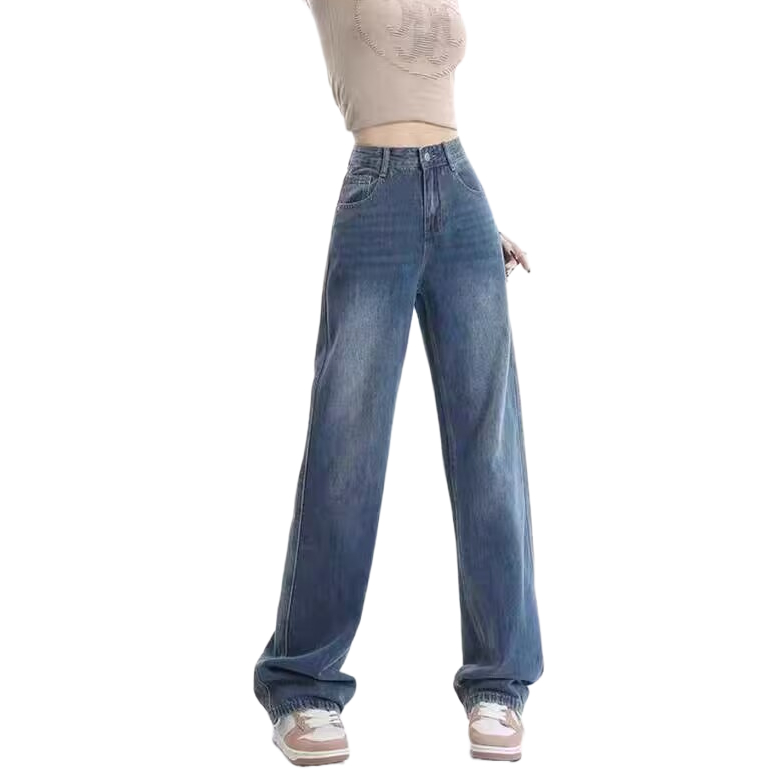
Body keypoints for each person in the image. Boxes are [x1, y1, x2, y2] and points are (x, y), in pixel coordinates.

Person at [254, 0, 543, 765]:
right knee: (344, 450)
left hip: (462, 195)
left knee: (490, 456)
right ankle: (303, 684)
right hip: (375, 199)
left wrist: (468, 230)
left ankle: (500, 682)